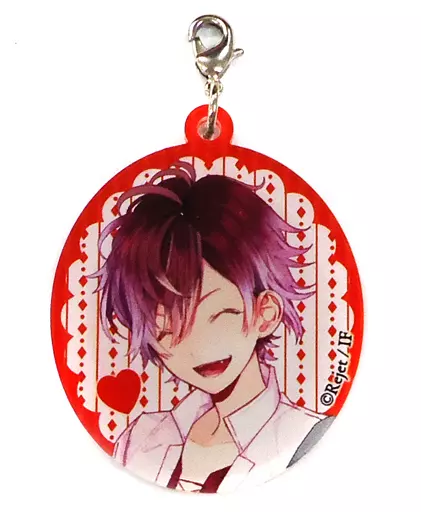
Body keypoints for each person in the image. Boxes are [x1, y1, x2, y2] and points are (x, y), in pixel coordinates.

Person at [94, 161, 333, 493]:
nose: (197, 348)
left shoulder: (302, 436)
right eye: (166, 330)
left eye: (217, 316)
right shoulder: (141, 438)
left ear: (265, 312)